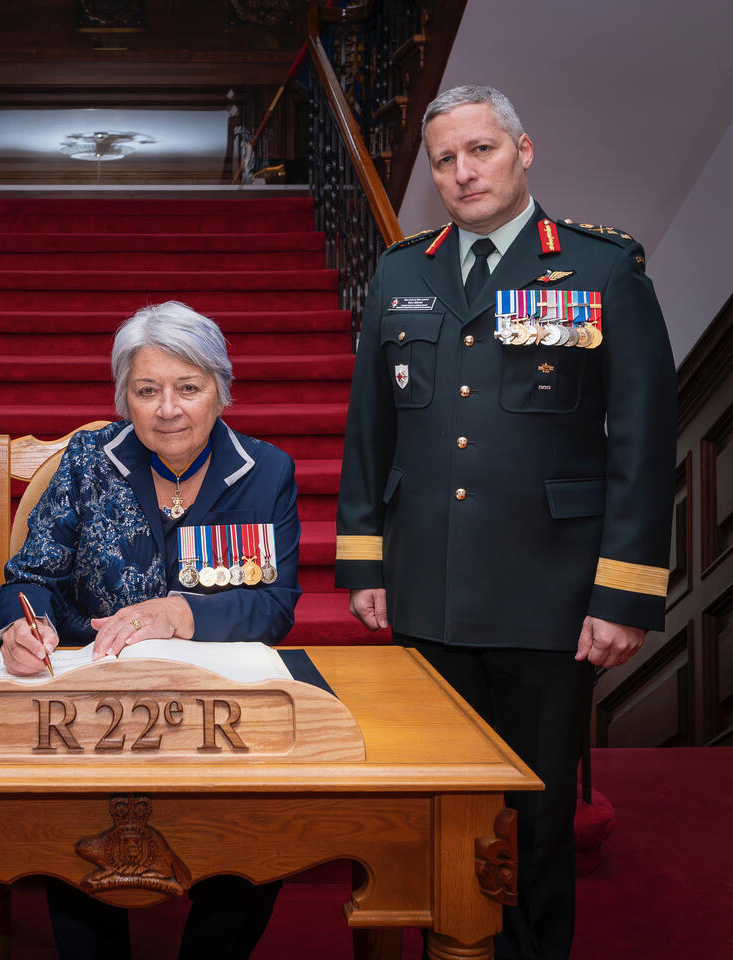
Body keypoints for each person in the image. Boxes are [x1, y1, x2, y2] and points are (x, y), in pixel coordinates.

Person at [335, 84, 675, 960]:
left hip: (550, 599)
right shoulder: (403, 269)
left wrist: (624, 592)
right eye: (446, 159)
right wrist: (366, 561)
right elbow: (370, 428)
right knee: (437, 806)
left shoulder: (602, 270)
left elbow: (642, 441)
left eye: (480, 150)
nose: (463, 171)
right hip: (427, 591)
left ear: (524, 152)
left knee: (533, 818)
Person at [0, 300, 301, 959]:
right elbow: (28, 575)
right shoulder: (86, 460)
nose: (167, 409)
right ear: (123, 396)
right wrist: (30, 623)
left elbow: (274, 607)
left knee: (260, 829)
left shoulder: (265, 470)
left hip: (221, 716)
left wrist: (183, 613)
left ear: (221, 388)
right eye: (147, 389)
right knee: (72, 821)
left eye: (188, 388)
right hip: (89, 716)